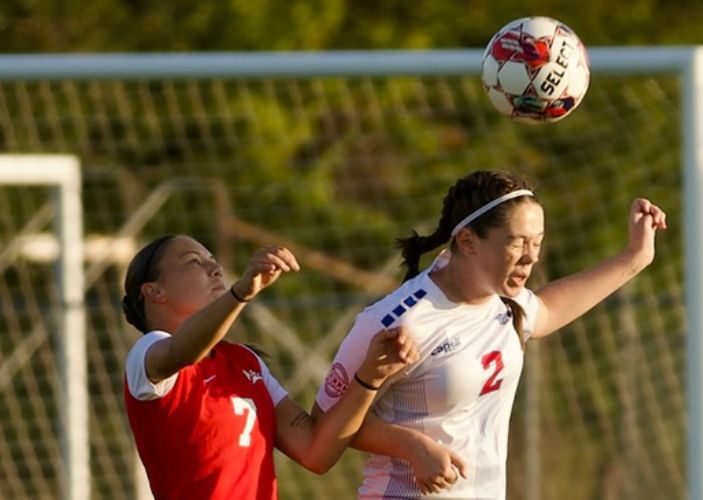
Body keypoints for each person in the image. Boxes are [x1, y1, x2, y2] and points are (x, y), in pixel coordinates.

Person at [312, 170, 667, 499]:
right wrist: (411, 446)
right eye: (517, 242)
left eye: (537, 242)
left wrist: (636, 257)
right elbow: (325, 422)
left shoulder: (502, 301)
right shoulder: (395, 321)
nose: (531, 258)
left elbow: (546, 312)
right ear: (467, 240)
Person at [121, 234, 420, 500]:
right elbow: (182, 351)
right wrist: (240, 292)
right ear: (154, 292)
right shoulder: (146, 353)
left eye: (213, 260)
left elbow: (316, 451)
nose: (215, 268)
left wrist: (370, 375)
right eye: (193, 262)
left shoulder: (244, 362)